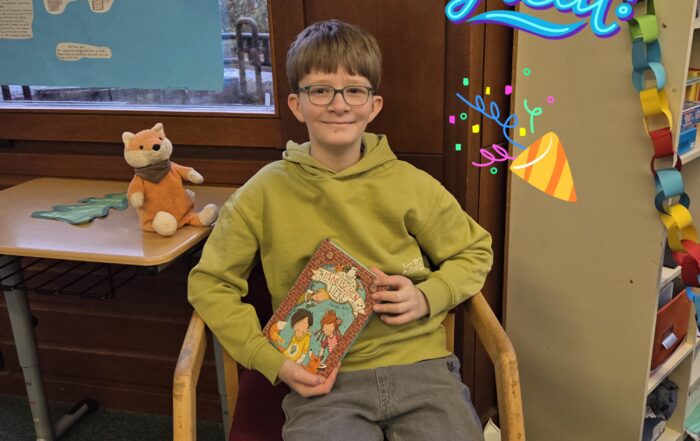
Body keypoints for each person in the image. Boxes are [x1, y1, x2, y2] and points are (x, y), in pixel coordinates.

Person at [188, 19, 492, 441]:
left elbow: (475, 251)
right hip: (322, 382)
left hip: (422, 370)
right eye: (320, 90)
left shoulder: (412, 184)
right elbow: (210, 283)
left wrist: (428, 296)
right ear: (297, 105)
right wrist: (271, 360)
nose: (339, 104)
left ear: (374, 105)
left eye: (354, 90)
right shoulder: (262, 192)